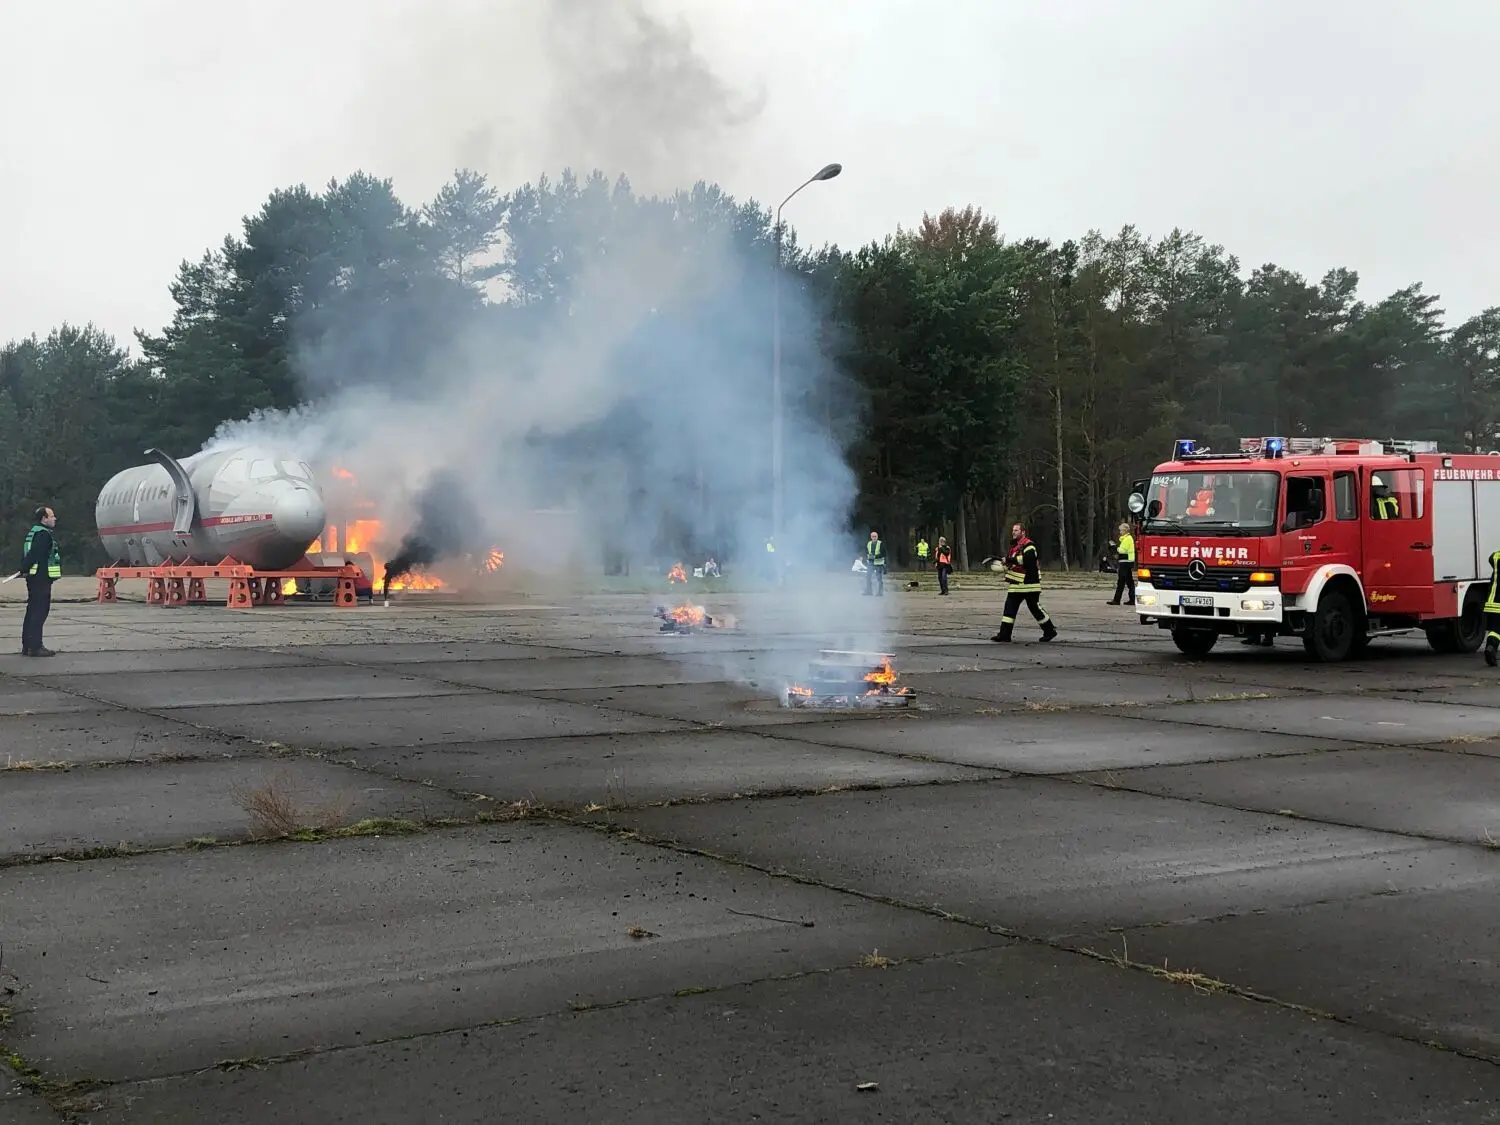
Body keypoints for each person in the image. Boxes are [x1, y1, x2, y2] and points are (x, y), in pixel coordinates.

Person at [991, 522, 1056, 643]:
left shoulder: (1029, 545)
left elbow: (1028, 560)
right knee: (1009, 609)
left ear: (1023, 532)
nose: (1013, 532)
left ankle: (1049, 631)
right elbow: (1014, 563)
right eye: (1013, 530)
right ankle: (1005, 634)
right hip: (1017, 584)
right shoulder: (1014, 547)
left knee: (1034, 608)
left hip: (1030, 584)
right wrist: (1004, 565)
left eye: (1016, 530)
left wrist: (1009, 560)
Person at [20, 506, 61, 657]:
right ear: (44, 519)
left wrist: (24, 568)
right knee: (39, 611)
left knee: (31, 610)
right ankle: (36, 646)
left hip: (33, 577)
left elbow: (28, 554)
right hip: (41, 578)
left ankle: (28, 645)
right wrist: (25, 567)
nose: (54, 518)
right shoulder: (43, 534)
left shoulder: (34, 532)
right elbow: (35, 553)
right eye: (51, 516)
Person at [1107, 521, 1135, 606]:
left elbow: (1122, 550)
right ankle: (1129, 599)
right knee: (1126, 582)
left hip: (1125, 563)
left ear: (1125, 531)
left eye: (1121, 530)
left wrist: (1115, 547)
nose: (1120, 532)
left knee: (1123, 582)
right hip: (1126, 562)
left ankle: (1118, 600)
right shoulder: (1127, 539)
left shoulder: (1127, 539)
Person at [1484, 547, 1500, 667]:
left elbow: (1491, 557)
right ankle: (1491, 649)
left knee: (1495, 630)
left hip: (1493, 602)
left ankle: (1490, 647)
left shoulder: (1495, 557)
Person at [863, 530, 886, 596]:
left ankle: (880, 592)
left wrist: (875, 557)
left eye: (875, 536)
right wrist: (867, 556)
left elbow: (884, 554)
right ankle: (869, 591)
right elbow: (866, 551)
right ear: (871, 537)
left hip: (878, 563)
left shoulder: (880, 544)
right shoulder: (869, 543)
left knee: (879, 578)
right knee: (868, 577)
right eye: (873, 536)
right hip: (871, 563)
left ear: (877, 537)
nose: (874, 537)